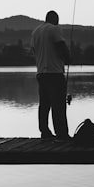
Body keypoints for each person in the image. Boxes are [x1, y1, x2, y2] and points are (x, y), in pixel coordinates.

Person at [30, 10, 71, 139]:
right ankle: (62, 134)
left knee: (45, 104)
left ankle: (45, 131)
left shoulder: (35, 32)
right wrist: (68, 58)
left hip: (41, 73)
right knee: (58, 105)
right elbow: (61, 46)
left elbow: (34, 51)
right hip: (55, 73)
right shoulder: (54, 29)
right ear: (54, 19)